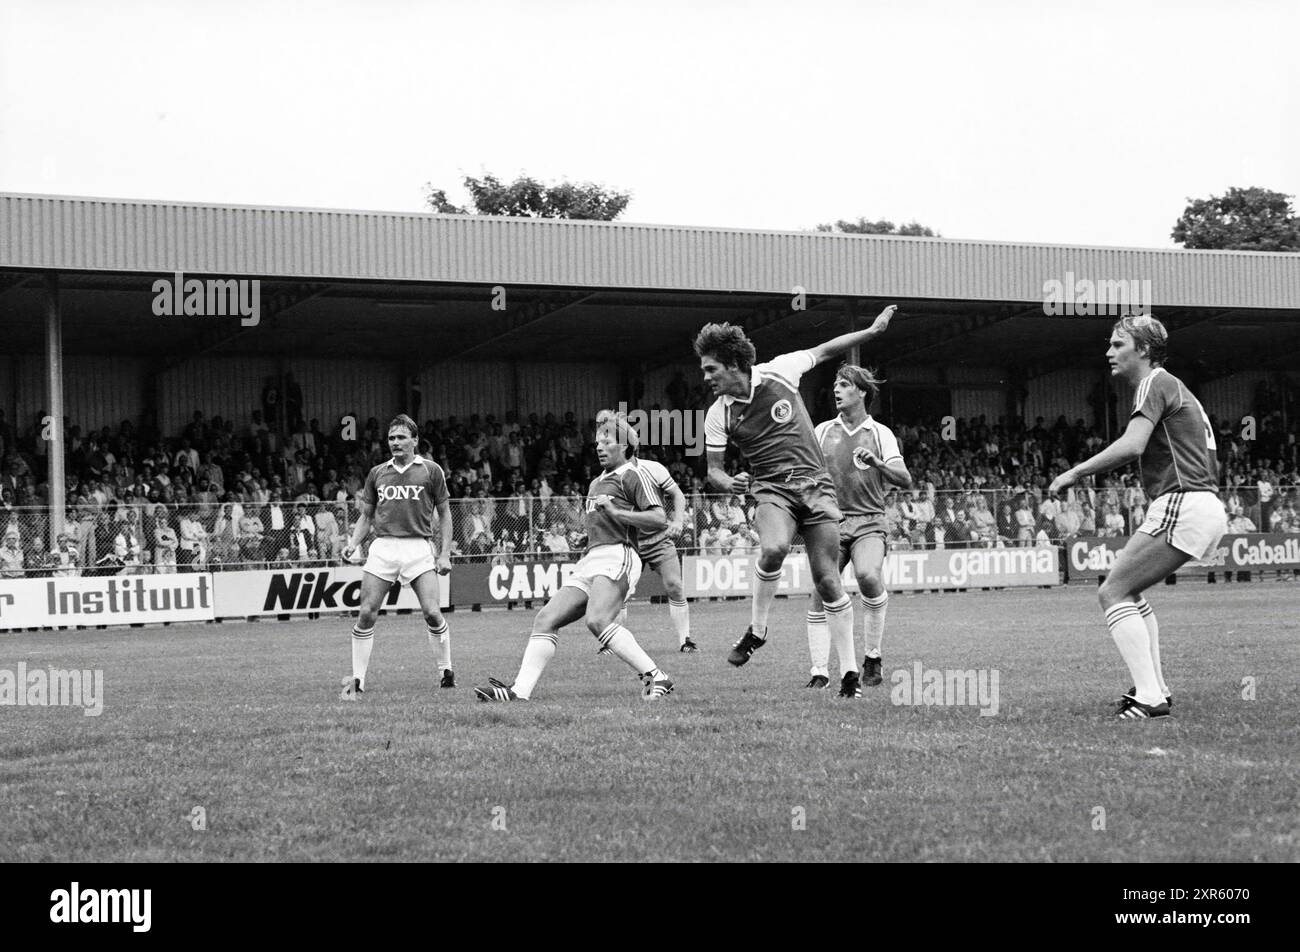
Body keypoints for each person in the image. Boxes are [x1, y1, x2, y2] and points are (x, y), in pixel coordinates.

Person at [695, 305, 898, 697]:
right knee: (773, 548)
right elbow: (713, 470)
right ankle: (757, 630)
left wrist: (872, 331)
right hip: (772, 488)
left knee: (827, 581)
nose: (706, 378)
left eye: (710, 370)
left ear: (734, 364)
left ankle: (851, 674)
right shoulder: (717, 415)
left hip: (816, 488)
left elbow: (825, 349)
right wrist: (728, 482)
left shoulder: (780, 371)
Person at [1049, 315, 1227, 719]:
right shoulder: (1173, 386)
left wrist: (1076, 472)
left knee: (1112, 592)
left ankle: (1149, 695)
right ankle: (1155, 687)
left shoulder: (1154, 382)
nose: (1109, 352)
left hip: (1182, 501)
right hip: (1199, 503)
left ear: (1143, 350)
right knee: (1129, 592)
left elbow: (1132, 445)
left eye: (1118, 344)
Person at [474, 417, 673, 702]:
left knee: (597, 620)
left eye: (607, 442)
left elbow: (658, 518)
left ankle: (657, 676)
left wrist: (617, 514)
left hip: (620, 555)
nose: (600, 448)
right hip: (592, 559)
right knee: (545, 619)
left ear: (627, 445)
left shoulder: (634, 475)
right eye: (597, 443)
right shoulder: (595, 483)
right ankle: (519, 692)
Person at [807, 366, 912, 691]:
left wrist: (878, 464)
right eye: (835, 385)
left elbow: (905, 478)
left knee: (868, 576)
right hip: (831, 522)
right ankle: (820, 672)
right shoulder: (822, 430)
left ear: (863, 392)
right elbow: (805, 471)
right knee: (819, 593)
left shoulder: (880, 433)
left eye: (844, 385)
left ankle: (873, 655)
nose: (836, 390)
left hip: (869, 521)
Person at [340, 415, 454, 698]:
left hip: (418, 547)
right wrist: (353, 543)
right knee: (366, 613)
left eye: (401, 437)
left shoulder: (431, 470)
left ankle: (446, 671)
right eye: (391, 438)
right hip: (384, 548)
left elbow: (445, 514)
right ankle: (357, 680)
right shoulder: (378, 473)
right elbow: (366, 516)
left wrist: (444, 554)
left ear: (415, 440)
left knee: (432, 612)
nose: (395, 443)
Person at [596, 410, 697, 654]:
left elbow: (677, 494)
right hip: (628, 543)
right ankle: (610, 644)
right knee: (619, 595)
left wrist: (678, 521)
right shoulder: (605, 477)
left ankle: (686, 640)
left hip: (658, 539)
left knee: (674, 585)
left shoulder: (653, 469)